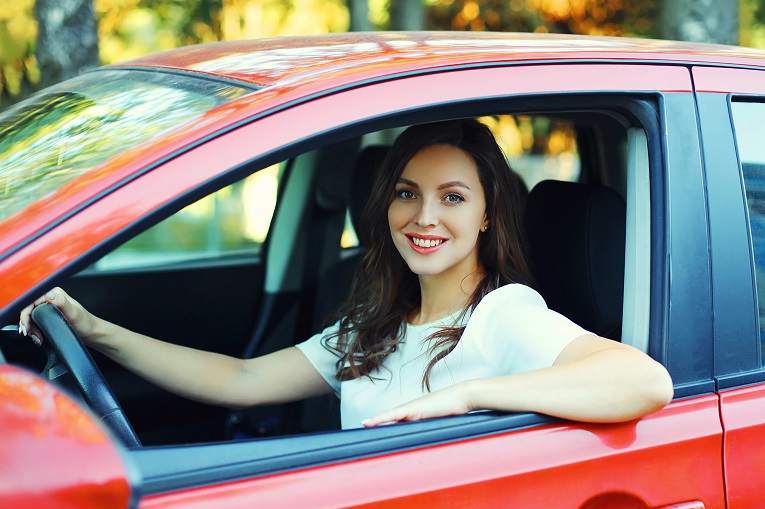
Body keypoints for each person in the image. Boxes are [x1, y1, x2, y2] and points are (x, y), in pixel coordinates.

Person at [19, 119, 673, 430]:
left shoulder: (503, 316)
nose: (422, 215)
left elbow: (643, 380)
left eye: (452, 196)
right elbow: (240, 378)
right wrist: (94, 328)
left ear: (486, 217)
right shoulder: (377, 319)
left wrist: (467, 396)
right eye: (405, 193)